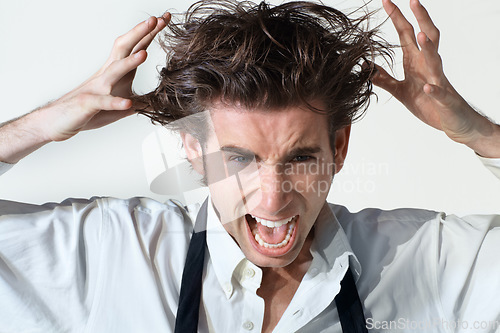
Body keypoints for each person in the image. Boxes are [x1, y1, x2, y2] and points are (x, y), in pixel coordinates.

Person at [0, 0, 499, 332]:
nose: (273, 197)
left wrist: (477, 132)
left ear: (339, 147)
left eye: (300, 157)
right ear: (193, 149)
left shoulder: (422, 261)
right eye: (239, 158)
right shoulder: (116, 253)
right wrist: (43, 123)